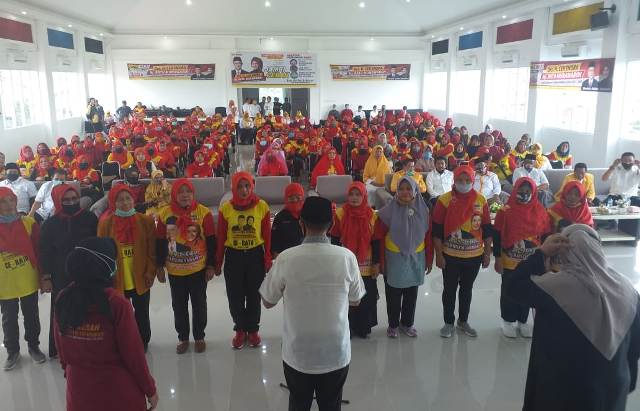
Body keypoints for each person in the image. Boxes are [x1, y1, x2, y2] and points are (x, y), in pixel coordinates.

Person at [504, 225, 640, 411]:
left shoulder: (555, 287)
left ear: (564, 253)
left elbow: (513, 285)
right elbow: (635, 344)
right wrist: (628, 379)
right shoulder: (627, 289)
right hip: (612, 386)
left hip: (563, 391)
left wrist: (541, 252)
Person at [260, 196, 365, 411]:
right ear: (332, 224)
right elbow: (355, 300)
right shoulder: (346, 257)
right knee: (331, 405)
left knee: (298, 404)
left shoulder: (286, 258)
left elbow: (268, 301)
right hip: (335, 351)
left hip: (298, 353)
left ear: (301, 223)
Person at [54, 237, 158, 411]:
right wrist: (150, 390)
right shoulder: (116, 303)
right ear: (105, 266)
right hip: (118, 393)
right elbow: (134, 355)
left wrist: (72, 374)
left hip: (79, 392)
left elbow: (61, 349)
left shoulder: (64, 298)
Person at [156, 179, 216, 354]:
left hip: (198, 270)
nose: (184, 195)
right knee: (179, 305)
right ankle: (183, 337)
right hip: (175, 271)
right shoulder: (164, 214)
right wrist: (159, 266)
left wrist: (211, 265)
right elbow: (159, 241)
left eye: (188, 192)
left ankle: (199, 337)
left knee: (199, 304)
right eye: (180, 192)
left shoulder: (203, 213)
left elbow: (211, 241)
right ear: (174, 194)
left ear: (193, 194)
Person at [432, 166, 492, 338]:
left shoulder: (481, 200)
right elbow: (436, 231)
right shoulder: (444, 200)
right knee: (449, 290)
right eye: (460, 180)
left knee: (467, 290)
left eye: (467, 181)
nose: (463, 184)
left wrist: (487, 253)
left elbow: (487, 229)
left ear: (473, 181)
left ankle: (463, 321)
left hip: (473, 256)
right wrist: (439, 255)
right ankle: (448, 323)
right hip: (450, 255)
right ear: (454, 180)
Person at [39, 184, 98, 358]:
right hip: (60, 273)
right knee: (61, 309)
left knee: (88, 308)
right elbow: (45, 252)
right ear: (58, 201)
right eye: (65, 200)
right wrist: (47, 277)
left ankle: (88, 344)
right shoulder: (50, 224)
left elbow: (97, 245)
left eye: (74, 199)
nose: (71, 202)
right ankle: (59, 347)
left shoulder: (90, 218)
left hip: (86, 271)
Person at [216, 172, 272, 349]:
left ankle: (253, 330)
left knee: (254, 296)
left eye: (247, 186)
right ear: (233, 188)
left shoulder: (261, 206)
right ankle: (240, 330)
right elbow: (221, 238)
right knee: (235, 296)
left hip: (255, 256)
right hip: (234, 257)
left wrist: (267, 258)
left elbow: (267, 236)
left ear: (252, 186)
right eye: (239, 187)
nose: (244, 190)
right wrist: (218, 261)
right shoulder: (226, 208)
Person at [98, 185, 157, 351]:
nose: (125, 203)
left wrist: (150, 272)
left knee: (142, 311)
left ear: (133, 200)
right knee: (120, 313)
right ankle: (123, 341)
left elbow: (151, 251)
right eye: (120, 199)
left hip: (140, 275)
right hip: (117, 277)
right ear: (113, 202)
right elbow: (102, 254)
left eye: (128, 198)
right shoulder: (106, 224)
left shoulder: (145, 221)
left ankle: (143, 340)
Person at [493, 178, 549, 338]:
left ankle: (523, 321)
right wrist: (497, 258)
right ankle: (508, 320)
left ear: (533, 193)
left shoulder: (540, 210)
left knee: (528, 289)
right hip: (509, 259)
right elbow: (497, 235)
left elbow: (545, 235)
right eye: (520, 191)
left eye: (527, 192)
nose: (524, 195)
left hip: (532, 260)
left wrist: (545, 259)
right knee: (509, 289)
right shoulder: (505, 211)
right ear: (514, 190)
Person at [375, 177, 431, 338]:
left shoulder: (424, 211)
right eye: (401, 189)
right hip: (394, 258)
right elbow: (379, 237)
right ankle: (393, 324)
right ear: (396, 191)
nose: (405, 192)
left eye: (409, 189)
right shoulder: (387, 211)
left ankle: (407, 323)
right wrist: (380, 262)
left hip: (416, 257)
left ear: (415, 191)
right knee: (393, 294)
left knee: (411, 294)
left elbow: (427, 237)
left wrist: (428, 260)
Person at [0, 187, 47, 370]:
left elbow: (39, 251)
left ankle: (34, 347)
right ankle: (12, 351)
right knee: (8, 318)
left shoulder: (29, 223)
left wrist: (43, 277)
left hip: (28, 279)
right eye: (3, 201)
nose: (8, 205)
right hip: (5, 283)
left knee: (31, 316)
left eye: (11, 200)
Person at [330, 182, 380, 338]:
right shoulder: (340, 214)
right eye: (351, 194)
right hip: (346, 262)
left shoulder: (372, 215)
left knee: (366, 296)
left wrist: (377, 264)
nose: (354, 198)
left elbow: (377, 241)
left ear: (364, 196)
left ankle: (363, 327)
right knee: (347, 295)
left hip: (367, 263)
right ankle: (348, 327)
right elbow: (335, 238)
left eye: (358, 194)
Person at [271, 183, 305, 259]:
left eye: (298, 197)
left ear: (303, 197)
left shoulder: (308, 214)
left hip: (306, 256)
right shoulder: (280, 217)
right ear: (286, 199)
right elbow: (275, 243)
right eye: (291, 198)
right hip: (286, 257)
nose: (295, 200)